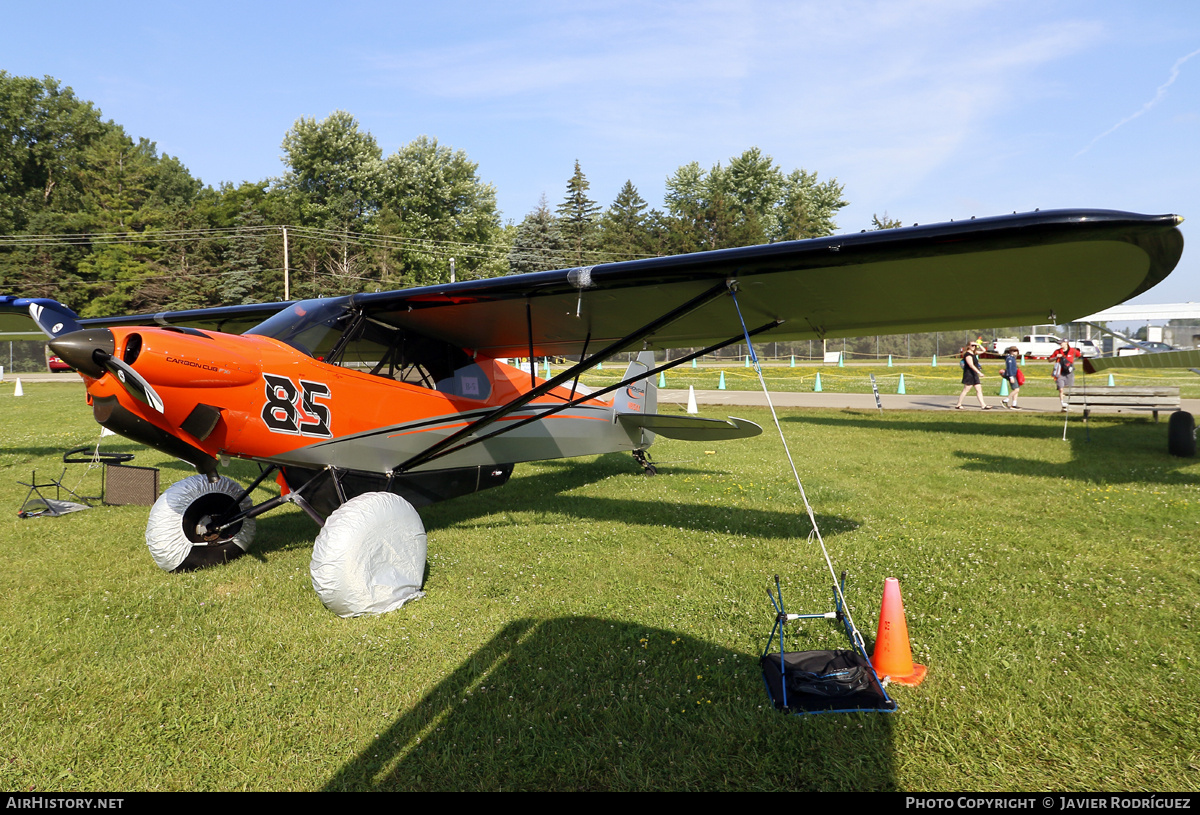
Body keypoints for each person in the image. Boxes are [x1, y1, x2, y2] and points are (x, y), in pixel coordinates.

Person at [955, 342, 991, 410]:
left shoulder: (974, 353)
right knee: (966, 390)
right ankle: (958, 404)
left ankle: (983, 405)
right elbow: (971, 365)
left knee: (979, 389)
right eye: (972, 345)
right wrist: (979, 372)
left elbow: (984, 351)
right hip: (969, 374)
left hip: (974, 374)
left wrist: (979, 345)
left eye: (974, 346)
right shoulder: (968, 355)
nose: (974, 347)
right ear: (968, 346)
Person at [1049, 339, 1081, 411]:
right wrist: (1056, 357)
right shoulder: (1057, 351)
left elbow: (1079, 355)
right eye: (1059, 343)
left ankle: (1067, 404)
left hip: (1069, 373)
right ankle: (1063, 405)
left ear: (1066, 343)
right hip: (1060, 372)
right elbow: (1049, 360)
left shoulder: (1072, 350)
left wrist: (1072, 361)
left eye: (1062, 343)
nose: (1060, 344)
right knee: (1061, 389)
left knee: (1068, 390)